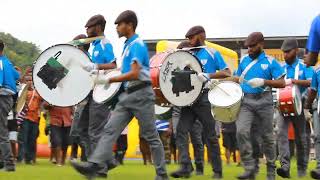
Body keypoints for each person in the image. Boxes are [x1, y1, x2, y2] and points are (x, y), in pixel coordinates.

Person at [71, 10, 169, 180]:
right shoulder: (128, 45)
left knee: (151, 136)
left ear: (129, 25)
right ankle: (94, 165)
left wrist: (110, 80)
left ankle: (161, 174)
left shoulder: (137, 44)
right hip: (128, 95)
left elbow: (135, 73)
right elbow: (124, 71)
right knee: (109, 130)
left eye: (119, 25)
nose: (116, 28)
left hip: (141, 94)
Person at [171, 26, 230, 179]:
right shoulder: (187, 54)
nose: (189, 41)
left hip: (204, 98)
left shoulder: (212, 52)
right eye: (188, 38)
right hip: (189, 99)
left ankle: (217, 172)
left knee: (210, 135)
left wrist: (208, 75)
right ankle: (185, 166)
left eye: (192, 37)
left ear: (201, 35)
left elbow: (226, 72)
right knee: (180, 131)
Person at [232, 32, 285, 180]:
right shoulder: (243, 61)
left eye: (253, 46)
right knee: (241, 131)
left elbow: (281, 83)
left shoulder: (270, 62)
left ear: (262, 44)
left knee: (267, 137)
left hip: (264, 102)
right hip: (246, 102)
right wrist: (216, 80)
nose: (249, 49)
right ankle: (249, 167)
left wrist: (264, 81)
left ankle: (270, 171)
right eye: (248, 47)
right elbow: (237, 78)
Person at [80, 15, 118, 177]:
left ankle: (99, 168)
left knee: (95, 131)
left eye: (89, 27)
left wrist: (96, 66)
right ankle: (107, 161)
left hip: (101, 93)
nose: (87, 30)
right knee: (82, 129)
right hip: (90, 92)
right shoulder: (94, 45)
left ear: (98, 27)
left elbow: (113, 65)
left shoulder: (104, 43)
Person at [276, 38, 311, 178]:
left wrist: (294, 81)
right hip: (282, 106)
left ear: (296, 51)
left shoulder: (304, 67)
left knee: (301, 138)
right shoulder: (280, 68)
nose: (285, 55)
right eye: (283, 52)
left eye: (288, 52)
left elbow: (311, 81)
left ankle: (302, 168)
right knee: (281, 134)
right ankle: (285, 167)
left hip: (299, 105)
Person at [0, 40, 19, 171]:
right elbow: (16, 75)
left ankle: (9, 163)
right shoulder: (7, 62)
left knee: (2, 132)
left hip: (1, 96)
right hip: (8, 99)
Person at [21, 85, 42, 164]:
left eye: (31, 80)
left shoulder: (39, 92)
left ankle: (32, 158)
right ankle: (24, 157)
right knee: (24, 139)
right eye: (28, 80)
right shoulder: (23, 92)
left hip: (35, 118)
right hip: (25, 117)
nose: (29, 82)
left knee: (33, 139)